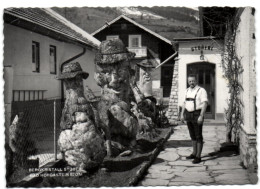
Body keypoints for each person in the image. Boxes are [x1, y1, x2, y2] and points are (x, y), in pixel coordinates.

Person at [180, 74, 208, 164]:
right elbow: (184, 103)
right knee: (192, 135)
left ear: (196, 81)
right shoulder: (187, 91)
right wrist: (181, 114)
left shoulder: (201, 90)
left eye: (193, 81)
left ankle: (198, 156)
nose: (191, 82)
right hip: (188, 114)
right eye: (190, 81)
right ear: (188, 82)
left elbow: (205, 103)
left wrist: (201, 115)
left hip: (197, 114)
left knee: (198, 135)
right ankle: (194, 153)